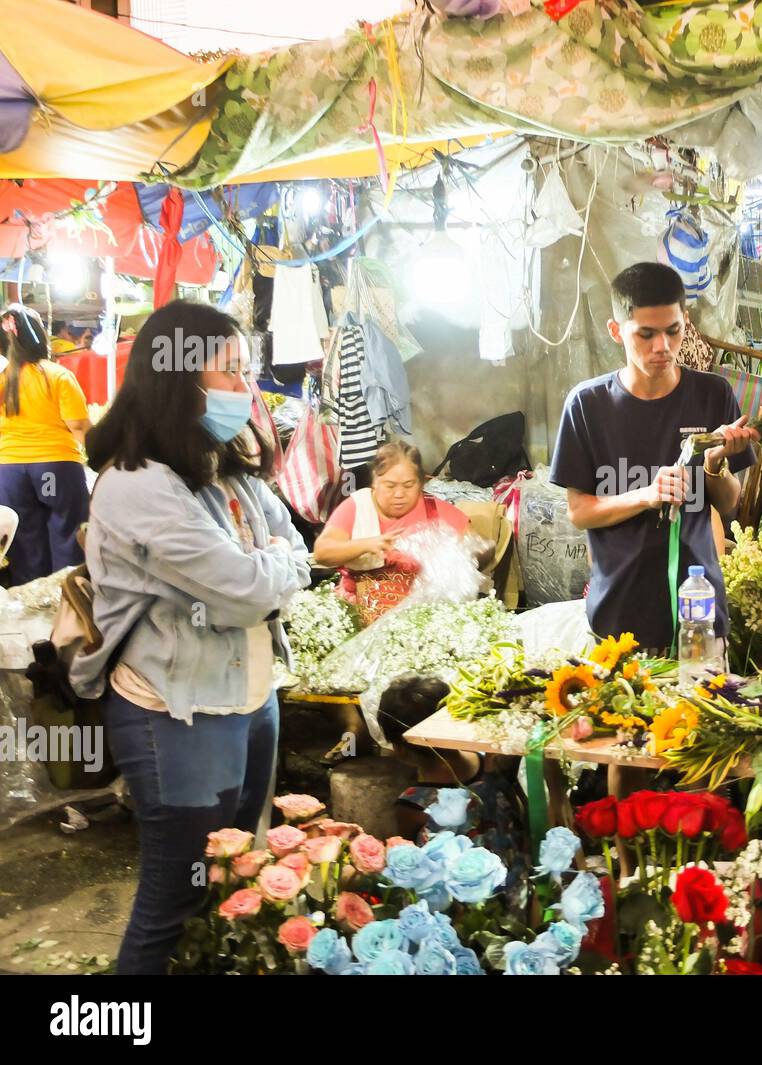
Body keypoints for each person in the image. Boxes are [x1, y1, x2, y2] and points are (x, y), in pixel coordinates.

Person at [69, 300, 311, 975]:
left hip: (248, 697)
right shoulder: (136, 484)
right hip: (176, 713)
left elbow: (294, 545)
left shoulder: (222, 461)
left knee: (230, 883)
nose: (247, 389)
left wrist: (273, 570)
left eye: (247, 371)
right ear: (177, 378)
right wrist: (274, 572)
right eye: (230, 373)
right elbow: (245, 587)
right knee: (174, 894)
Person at [550, 262, 759, 655]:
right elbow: (579, 512)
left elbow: (730, 504)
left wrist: (714, 466)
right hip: (618, 616)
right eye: (645, 334)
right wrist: (646, 495)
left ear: (685, 323)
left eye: (673, 331)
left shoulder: (712, 395)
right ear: (616, 331)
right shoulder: (587, 405)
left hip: (698, 611)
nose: (661, 346)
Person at [377, 675, 529, 905]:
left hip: (468, 909)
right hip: (519, 888)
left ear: (400, 749)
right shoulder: (490, 764)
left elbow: (411, 859)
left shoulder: (412, 804)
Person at [314, 441, 485, 625]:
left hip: (421, 620)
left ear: (421, 482)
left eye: (408, 485)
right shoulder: (357, 507)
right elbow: (323, 553)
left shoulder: (434, 510)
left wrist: (449, 561)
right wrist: (368, 544)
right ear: (375, 482)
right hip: (359, 619)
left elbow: (478, 549)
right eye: (390, 485)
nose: (399, 494)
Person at [0, 304, 92, 584]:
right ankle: (67, 602)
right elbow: (78, 425)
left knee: (24, 543)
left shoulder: (2, 380)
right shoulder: (57, 375)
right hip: (57, 467)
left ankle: (30, 603)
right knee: (68, 535)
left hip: (9, 472)